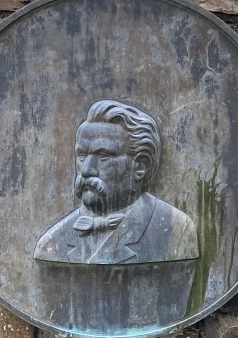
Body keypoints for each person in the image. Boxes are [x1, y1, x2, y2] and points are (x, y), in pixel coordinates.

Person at [34, 100, 199, 265]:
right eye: (82, 156)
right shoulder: (53, 243)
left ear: (140, 166)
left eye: (103, 156)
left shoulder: (176, 231)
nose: (86, 170)